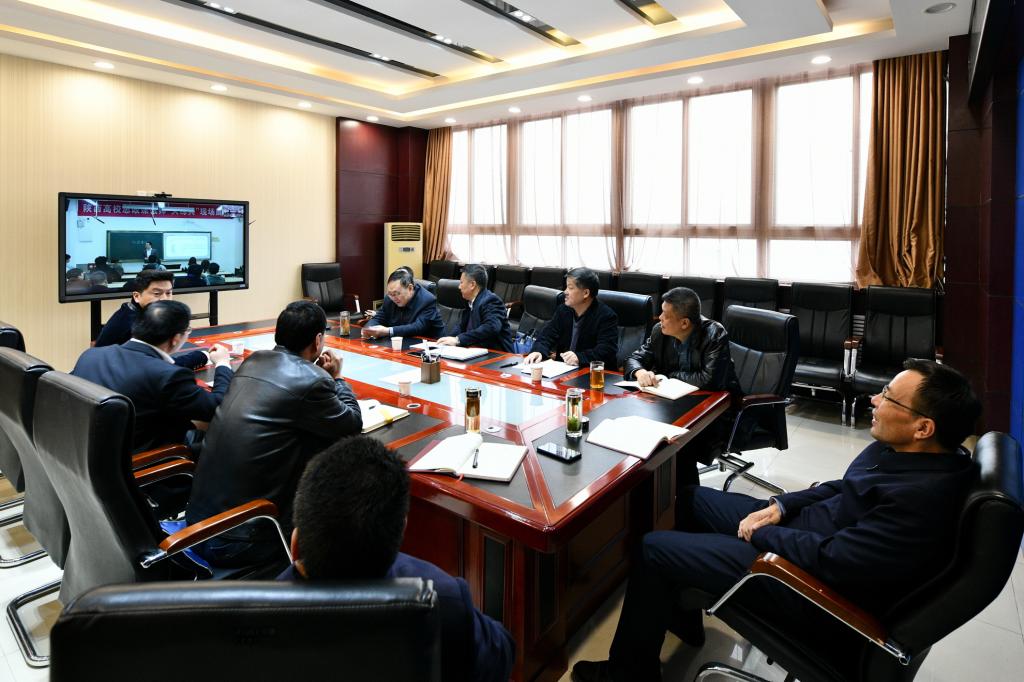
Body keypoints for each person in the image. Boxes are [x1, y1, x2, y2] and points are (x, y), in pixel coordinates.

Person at [571, 359, 982, 682]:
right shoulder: (907, 451)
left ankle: (629, 673)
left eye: (888, 397)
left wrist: (765, 534)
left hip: (801, 580)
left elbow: (834, 561)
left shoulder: (922, 502)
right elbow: (843, 487)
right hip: (798, 530)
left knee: (653, 548)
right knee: (691, 499)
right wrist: (781, 506)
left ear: (924, 427)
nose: (874, 399)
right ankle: (683, 613)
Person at [279, 436, 515, 682]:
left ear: (295, 547)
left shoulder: (255, 617)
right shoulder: (441, 599)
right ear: (401, 531)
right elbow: (501, 657)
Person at [185, 300, 363, 568]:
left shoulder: (253, 361)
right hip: (241, 537)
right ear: (318, 340)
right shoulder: (313, 380)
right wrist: (337, 379)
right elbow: (352, 424)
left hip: (198, 522)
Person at [71, 300, 233, 452]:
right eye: (187, 331)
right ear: (176, 338)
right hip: (143, 460)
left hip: (85, 450)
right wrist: (222, 363)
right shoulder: (169, 376)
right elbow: (218, 408)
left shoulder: (91, 355)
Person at [624, 287, 737, 391]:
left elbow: (710, 381)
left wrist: (671, 376)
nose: (660, 317)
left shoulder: (714, 334)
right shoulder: (659, 331)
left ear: (684, 323)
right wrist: (640, 372)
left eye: (666, 315)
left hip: (720, 400)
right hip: (673, 396)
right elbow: (634, 359)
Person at [94, 270, 208, 369]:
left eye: (169, 293)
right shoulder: (134, 324)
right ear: (137, 296)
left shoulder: (133, 311)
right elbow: (159, 367)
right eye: (157, 293)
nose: (165, 299)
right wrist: (202, 356)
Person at [523, 267, 618, 368]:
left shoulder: (606, 316)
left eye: (570, 288)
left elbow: (607, 351)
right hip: (563, 369)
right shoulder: (563, 310)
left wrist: (579, 357)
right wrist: (538, 351)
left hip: (592, 372)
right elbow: (546, 336)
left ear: (586, 293)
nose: (565, 292)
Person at [437, 264, 514, 352]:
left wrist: (458, 340)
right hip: (476, 351)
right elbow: (462, 326)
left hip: (498, 355)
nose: (459, 287)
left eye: (461, 283)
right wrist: (449, 339)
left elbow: (491, 327)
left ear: (472, 285)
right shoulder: (469, 301)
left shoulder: (491, 300)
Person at [362, 268, 444, 340]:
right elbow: (379, 317)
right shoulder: (389, 298)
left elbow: (418, 327)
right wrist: (368, 329)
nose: (393, 298)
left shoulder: (427, 300)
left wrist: (387, 331)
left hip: (430, 344)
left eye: (397, 293)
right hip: (402, 342)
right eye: (390, 294)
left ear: (410, 288)